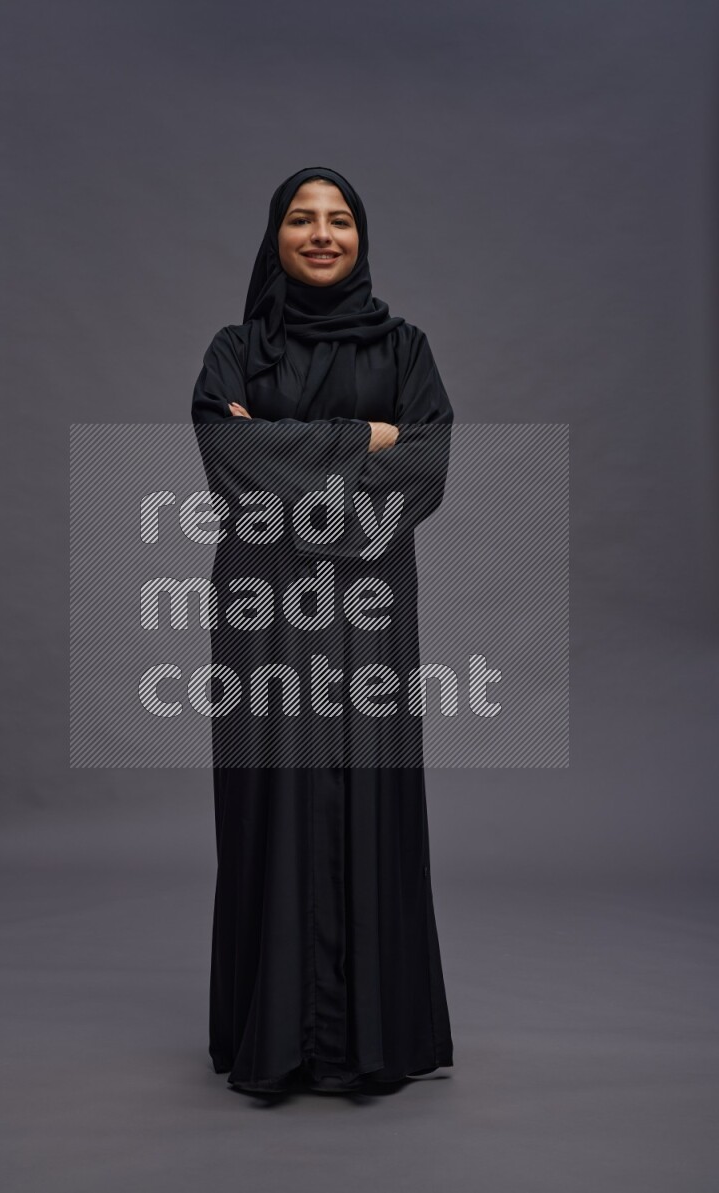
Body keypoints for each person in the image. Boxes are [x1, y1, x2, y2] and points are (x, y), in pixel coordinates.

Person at [191, 166, 454, 1095]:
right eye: (301, 219)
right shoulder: (235, 351)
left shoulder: (408, 347)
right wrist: (365, 438)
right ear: (276, 236)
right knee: (273, 798)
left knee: (369, 798)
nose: (321, 234)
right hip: (262, 613)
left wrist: (293, 453)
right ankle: (276, 1035)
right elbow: (227, 455)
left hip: (368, 613)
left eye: (338, 219)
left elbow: (428, 464)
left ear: (361, 236)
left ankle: (373, 1039)